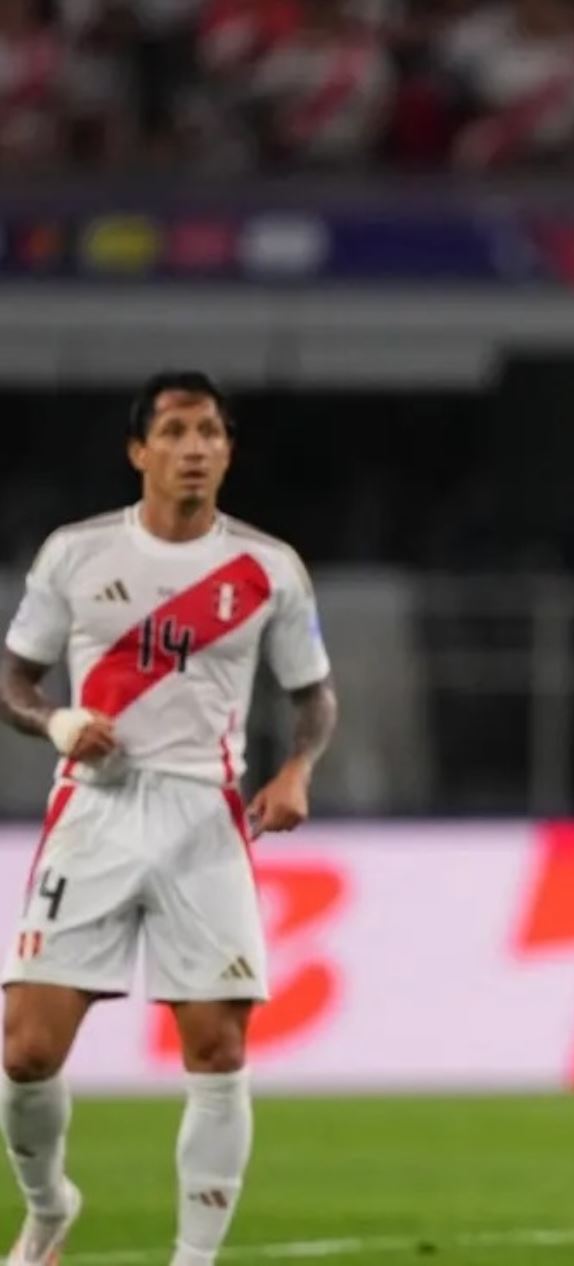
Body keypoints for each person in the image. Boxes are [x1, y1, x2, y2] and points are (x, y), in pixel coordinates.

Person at [0, 371, 338, 1266]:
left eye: (211, 433)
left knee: (218, 1048)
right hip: (96, 812)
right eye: (177, 431)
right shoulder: (75, 554)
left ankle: (194, 1261)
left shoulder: (268, 569)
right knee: (27, 1051)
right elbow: (14, 682)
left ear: (228, 450)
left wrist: (299, 768)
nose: (195, 448)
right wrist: (58, 721)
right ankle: (48, 1204)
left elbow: (315, 697)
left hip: (205, 816)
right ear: (138, 451)